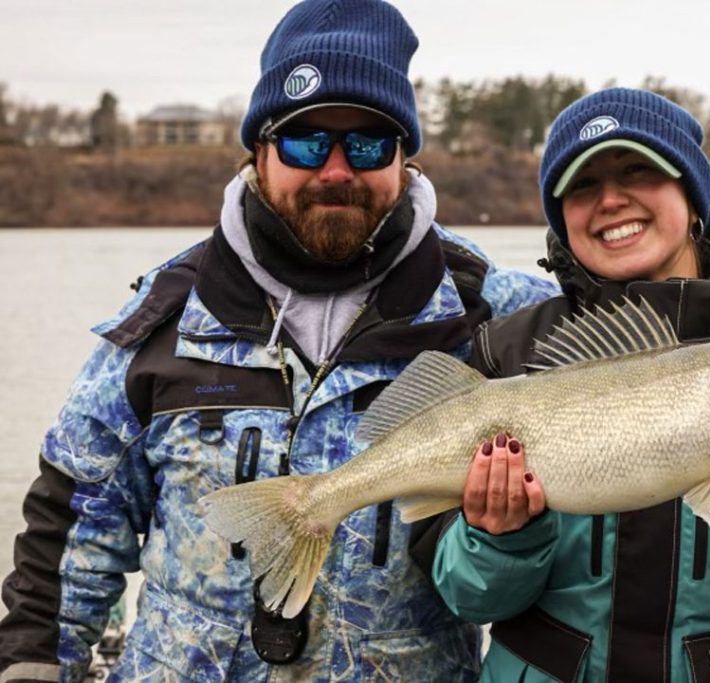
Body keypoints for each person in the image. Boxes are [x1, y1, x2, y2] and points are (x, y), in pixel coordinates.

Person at [0, 1, 559, 681]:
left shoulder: (492, 317)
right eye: (304, 141)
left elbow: (636, 353)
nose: (335, 169)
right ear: (258, 152)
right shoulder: (166, 317)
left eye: (368, 144)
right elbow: (75, 522)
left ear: (404, 158)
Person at [426, 88, 710, 682]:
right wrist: (499, 537)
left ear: (691, 194)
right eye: (582, 185)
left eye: (638, 171)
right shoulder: (511, 351)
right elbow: (468, 600)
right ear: (561, 215)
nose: (611, 200)